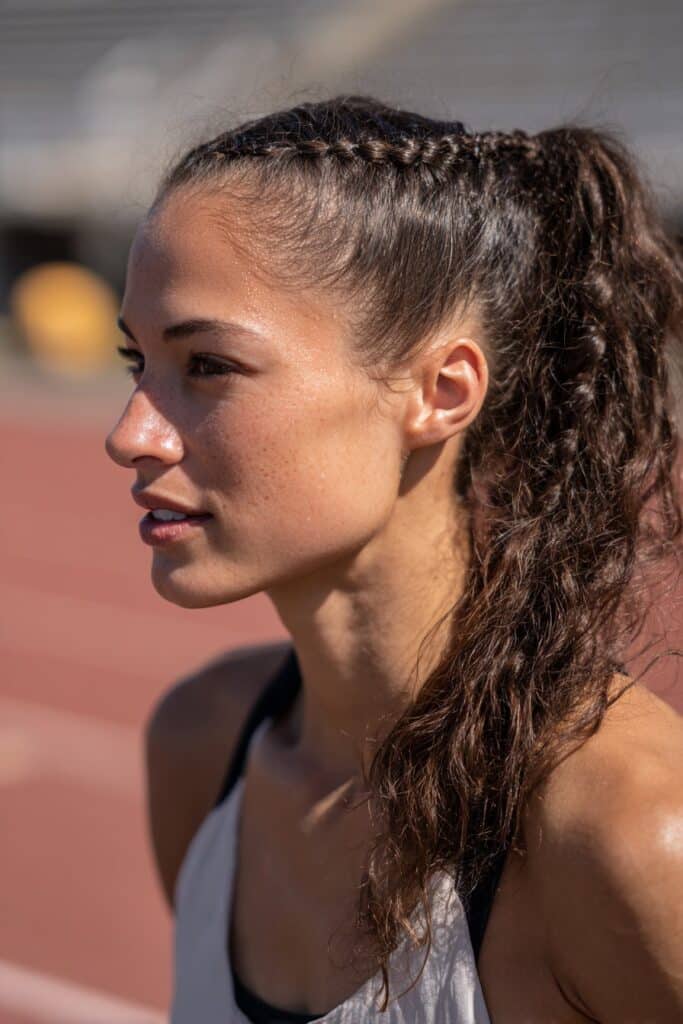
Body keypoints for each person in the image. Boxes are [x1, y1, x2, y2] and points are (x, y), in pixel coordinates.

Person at [105, 96, 683, 1022]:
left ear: (440, 391)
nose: (129, 434)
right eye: (136, 362)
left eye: (207, 365)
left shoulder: (626, 833)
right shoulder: (202, 746)